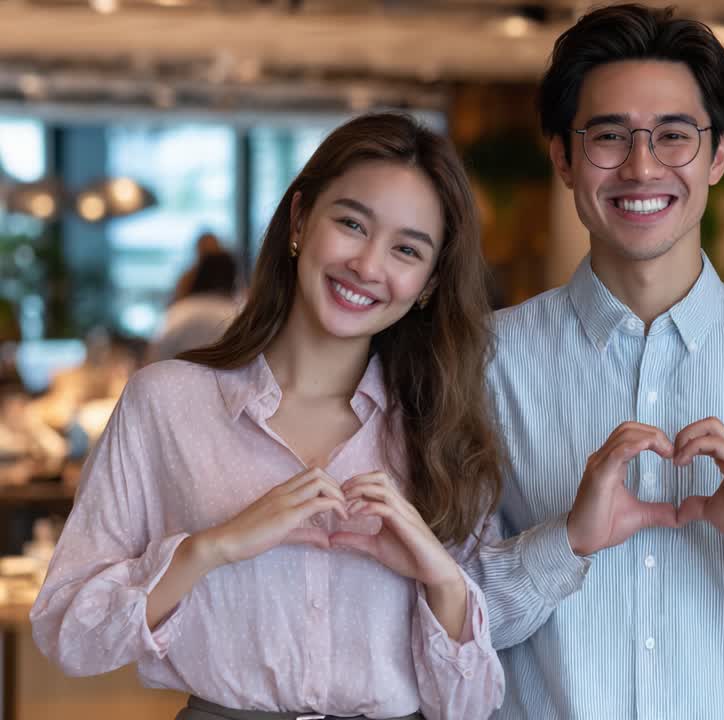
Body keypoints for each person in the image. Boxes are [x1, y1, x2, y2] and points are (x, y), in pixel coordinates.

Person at [30, 112, 505, 720]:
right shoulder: (166, 403)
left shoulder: (445, 433)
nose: (367, 265)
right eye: (352, 223)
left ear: (430, 281)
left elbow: (471, 704)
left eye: (406, 249)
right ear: (301, 220)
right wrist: (213, 548)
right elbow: (70, 635)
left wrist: (441, 578)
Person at [466, 5, 724, 718]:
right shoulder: (482, 365)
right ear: (563, 157)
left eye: (674, 135)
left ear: (718, 155)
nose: (641, 166)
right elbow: (441, 625)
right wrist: (565, 544)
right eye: (609, 136)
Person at [146, 248, 241, 364]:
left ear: (199, 275)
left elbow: (154, 359)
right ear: (234, 280)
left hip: (176, 379)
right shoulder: (239, 315)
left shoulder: (178, 312)